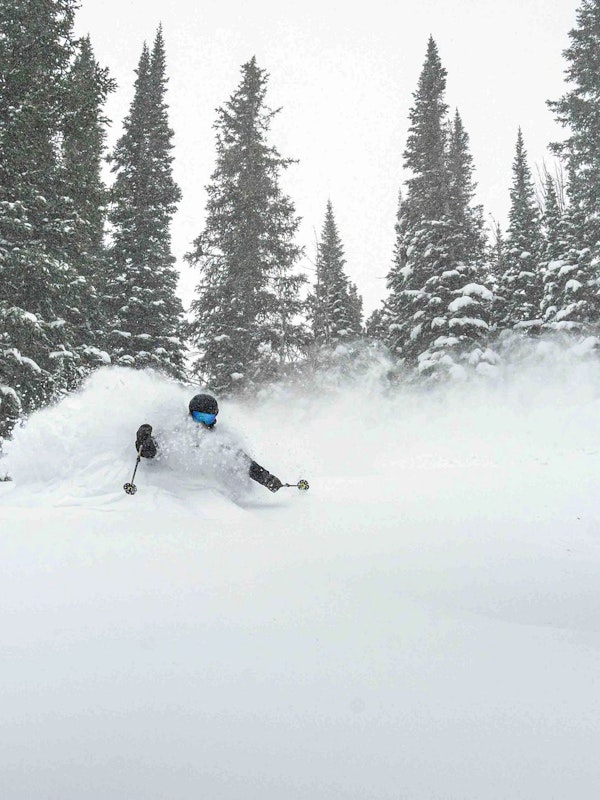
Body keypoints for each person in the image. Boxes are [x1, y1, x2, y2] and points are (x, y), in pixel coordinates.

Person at [134, 393, 284, 493]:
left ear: (215, 418)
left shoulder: (219, 439)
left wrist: (266, 478)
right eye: (199, 417)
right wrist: (143, 440)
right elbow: (151, 451)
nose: (202, 423)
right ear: (190, 413)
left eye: (208, 418)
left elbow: (244, 461)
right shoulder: (177, 429)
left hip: (207, 490)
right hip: (175, 489)